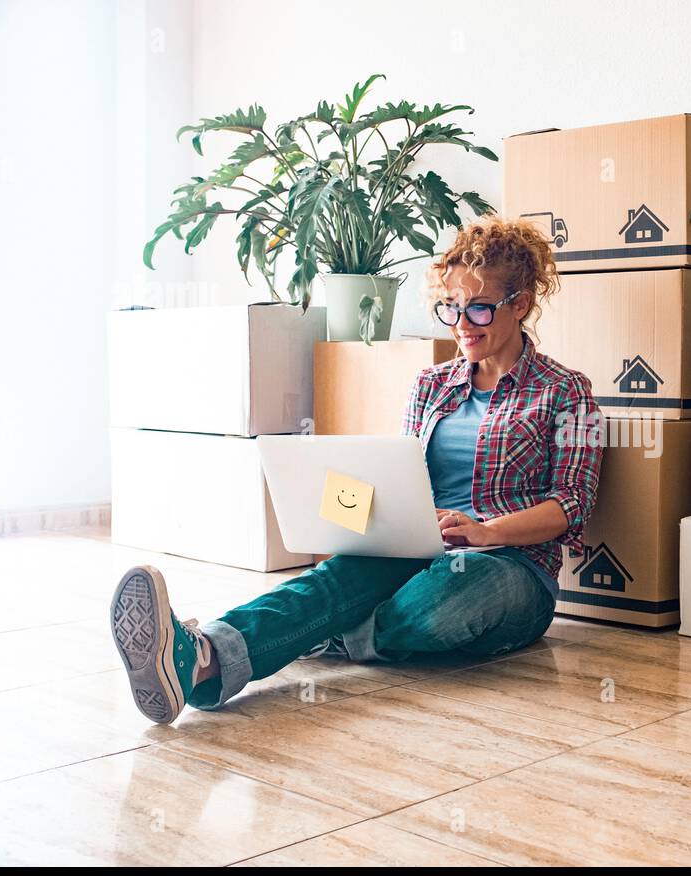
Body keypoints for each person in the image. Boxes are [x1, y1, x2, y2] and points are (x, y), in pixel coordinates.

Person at [108, 216, 602, 725]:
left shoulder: (566, 390)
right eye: (449, 308)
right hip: (419, 547)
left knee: (441, 600)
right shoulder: (431, 385)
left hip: (511, 569)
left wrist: (485, 532)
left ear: (519, 304)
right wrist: (360, 507)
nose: (461, 324)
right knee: (331, 579)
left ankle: (316, 630)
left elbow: (571, 503)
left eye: (478, 307)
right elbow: (402, 476)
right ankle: (199, 659)